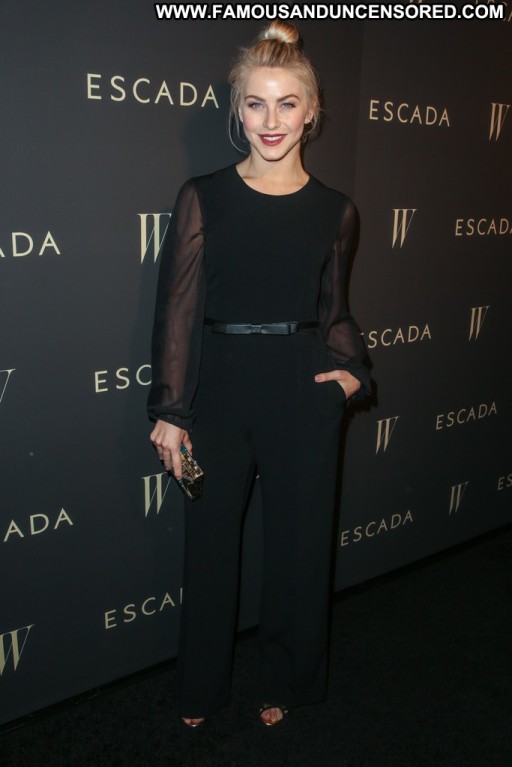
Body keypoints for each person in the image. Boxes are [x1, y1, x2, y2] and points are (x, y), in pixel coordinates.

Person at [148, 20, 370, 728]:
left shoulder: (336, 211)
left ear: (312, 111)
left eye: (286, 103)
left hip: (302, 395)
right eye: (255, 103)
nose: (271, 121)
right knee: (210, 552)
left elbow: (334, 311)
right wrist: (170, 410)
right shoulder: (203, 195)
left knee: (301, 553)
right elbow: (178, 309)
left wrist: (351, 372)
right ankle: (201, 689)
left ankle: (287, 680)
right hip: (219, 394)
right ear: (237, 110)